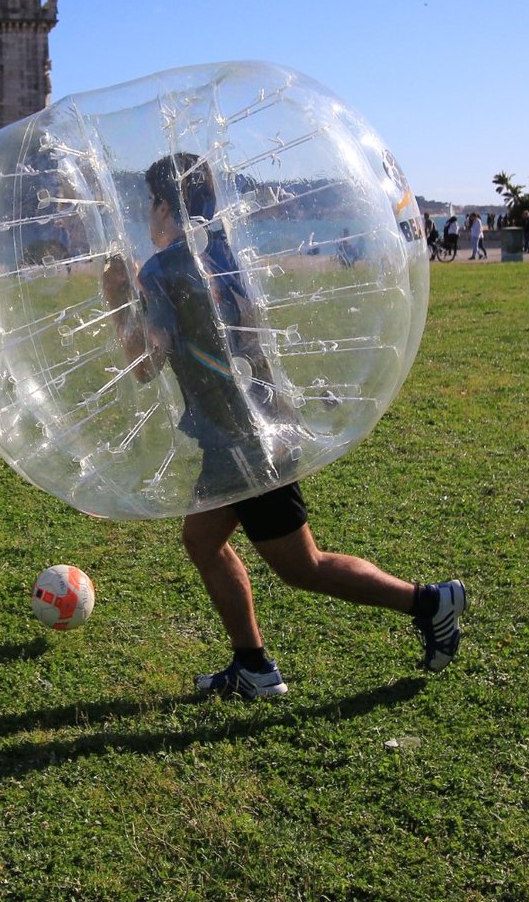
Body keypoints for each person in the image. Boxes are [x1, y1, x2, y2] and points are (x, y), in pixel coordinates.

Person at [101, 152, 465, 698]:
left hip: (245, 441)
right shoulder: (219, 251)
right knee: (202, 540)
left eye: (147, 206)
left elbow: (146, 366)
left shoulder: (165, 269)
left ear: (161, 206)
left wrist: (116, 300)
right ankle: (253, 665)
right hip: (255, 426)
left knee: (303, 567)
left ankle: (429, 602)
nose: (145, 218)